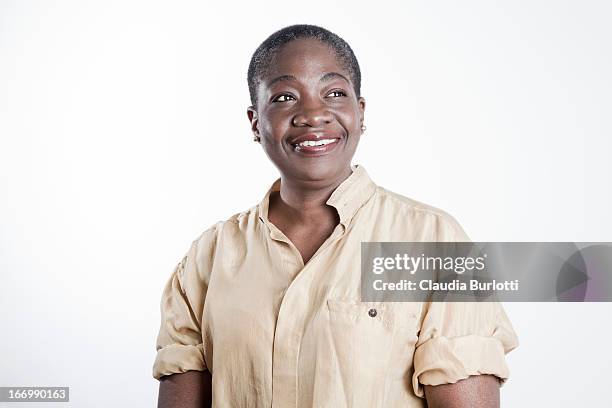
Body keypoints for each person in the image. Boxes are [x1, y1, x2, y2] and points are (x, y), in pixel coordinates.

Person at [153, 24, 519, 408]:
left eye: (334, 93)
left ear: (360, 112)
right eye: (284, 97)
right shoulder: (209, 258)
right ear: (255, 122)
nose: (312, 114)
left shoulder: (432, 241)